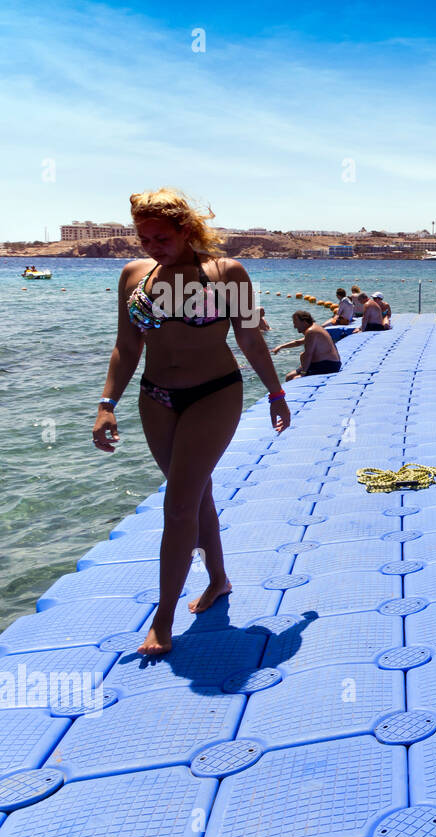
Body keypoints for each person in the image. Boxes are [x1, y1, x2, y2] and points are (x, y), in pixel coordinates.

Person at [92, 188, 289, 656]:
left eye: (160, 237)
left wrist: (277, 394)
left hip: (214, 394)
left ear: (186, 230)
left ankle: (162, 619)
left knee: (178, 506)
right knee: (195, 494)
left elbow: (250, 341)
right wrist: (106, 403)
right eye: (143, 238)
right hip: (155, 398)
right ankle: (218, 579)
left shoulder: (227, 274)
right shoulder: (134, 276)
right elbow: (127, 346)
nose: (150, 247)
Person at [284, 310, 341, 379]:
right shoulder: (314, 328)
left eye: (296, 323)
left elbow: (308, 354)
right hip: (329, 364)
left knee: (294, 379)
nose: (294, 326)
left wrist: (303, 373)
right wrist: (280, 347)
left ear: (304, 322)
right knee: (289, 376)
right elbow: (298, 342)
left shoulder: (311, 331)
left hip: (328, 366)